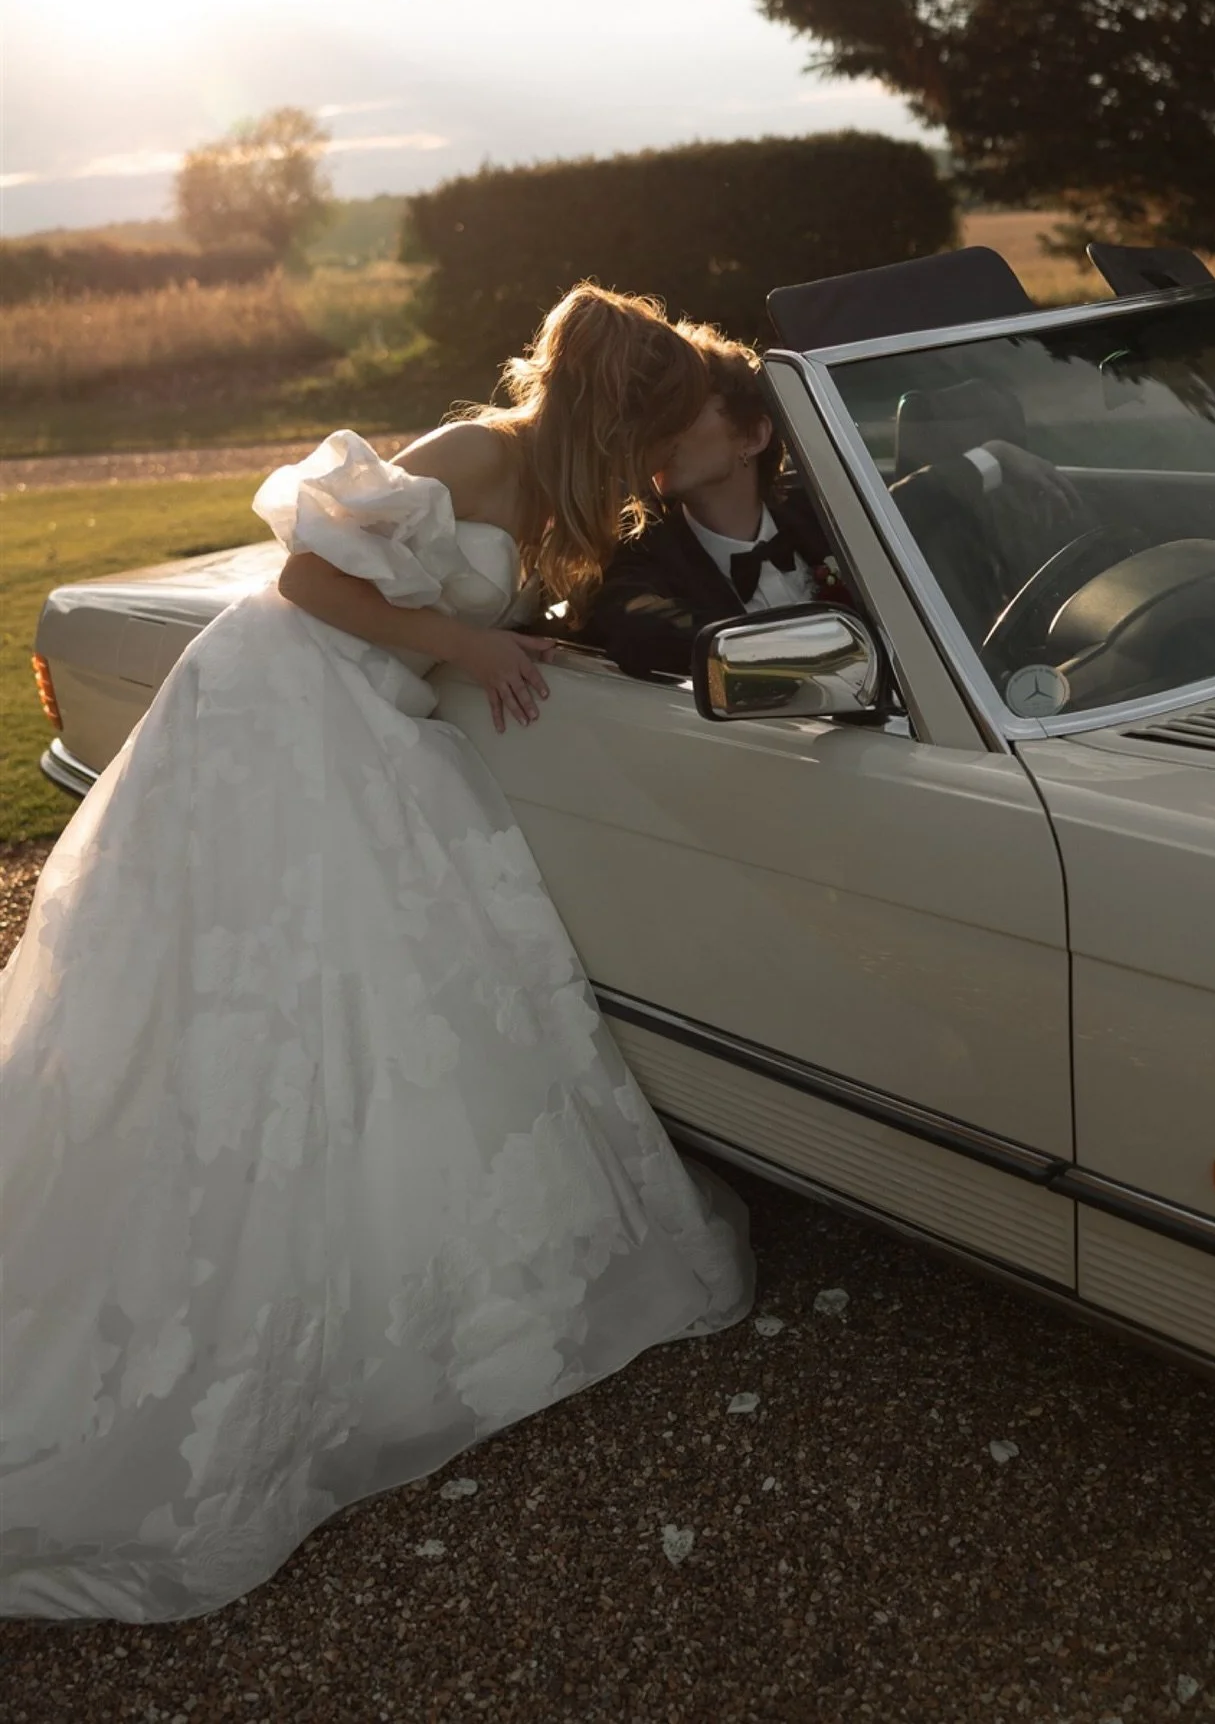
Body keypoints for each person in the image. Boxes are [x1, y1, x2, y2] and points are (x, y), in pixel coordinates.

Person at [0, 283, 753, 1624]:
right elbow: (303, 579)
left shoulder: (566, 489)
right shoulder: (476, 452)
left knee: (392, 993)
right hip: (281, 706)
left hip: (374, 716)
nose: (649, 467)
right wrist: (463, 636)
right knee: (286, 987)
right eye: (650, 437)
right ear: (602, 410)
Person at [582, 324, 1081, 677]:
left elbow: (904, 505)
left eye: (683, 412)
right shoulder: (640, 552)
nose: (660, 432)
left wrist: (990, 458)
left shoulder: (814, 508)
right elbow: (637, 627)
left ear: (752, 438)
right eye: (655, 416)